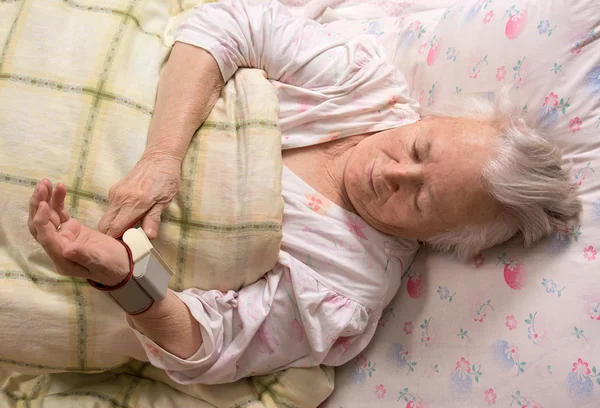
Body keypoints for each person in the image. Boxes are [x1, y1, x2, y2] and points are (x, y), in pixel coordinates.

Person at [27, 0, 580, 385]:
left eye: (421, 201)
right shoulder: (363, 84)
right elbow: (228, 24)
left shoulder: (348, 287)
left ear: (441, 240)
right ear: (431, 118)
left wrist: (125, 278)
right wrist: (161, 157)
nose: (393, 174)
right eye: (417, 149)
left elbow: (209, 347)